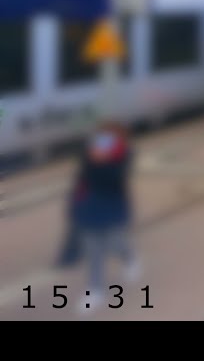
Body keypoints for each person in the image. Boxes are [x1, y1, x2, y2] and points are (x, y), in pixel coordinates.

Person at [72, 121, 140, 309]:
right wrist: (93, 160)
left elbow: (116, 180)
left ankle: (129, 259)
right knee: (93, 250)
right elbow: (84, 177)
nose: (105, 141)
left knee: (115, 241)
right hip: (90, 207)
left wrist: (103, 162)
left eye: (111, 137)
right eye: (103, 137)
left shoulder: (125, 154)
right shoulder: (89, 152)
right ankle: (96, 291)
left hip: (113, 206)